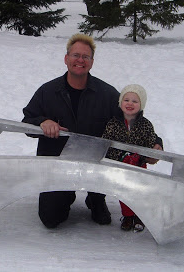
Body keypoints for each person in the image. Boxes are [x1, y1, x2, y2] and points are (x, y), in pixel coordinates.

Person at [22, 33, 162, 229]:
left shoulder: (107, 94)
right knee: (50, 219)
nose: (80, 60)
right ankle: (66, 193)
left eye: (85, 57)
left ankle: (96, 198)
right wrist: (42, 121)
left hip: (97, 167)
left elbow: (132, 121)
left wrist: (155, 143)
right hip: (58, 166)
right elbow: (27, 120)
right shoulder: (47, 91)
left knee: (102, 219)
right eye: (75, 55)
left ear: (92, 62)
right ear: (66, 58)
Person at [102, 84, 160, 232]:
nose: (130, 104)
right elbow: (106, 143)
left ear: (141, 105)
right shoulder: (113, 123)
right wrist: (118, 157)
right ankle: (127, 216)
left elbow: (150, 143)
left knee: (140, 191)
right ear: (120, 103)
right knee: (124, 192)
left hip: (139, 166)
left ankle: (139, 215)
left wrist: (148, 155)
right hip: (121, 166)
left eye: (135, 101)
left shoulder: (146, 125)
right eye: (126, 100)